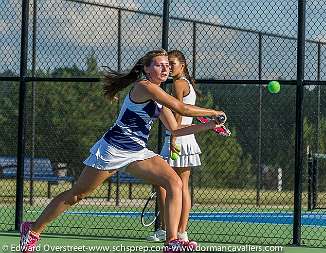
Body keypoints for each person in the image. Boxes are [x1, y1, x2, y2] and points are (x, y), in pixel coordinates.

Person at [19, 49, 226, 253]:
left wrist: (209, 124)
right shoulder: (145, 87)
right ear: (146, 69)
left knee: (174, 182)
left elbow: (176, 129)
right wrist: (213, 112)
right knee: (77, 195)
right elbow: (183, 109)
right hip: (113, 149)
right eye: (159, 65)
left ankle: (172, 241)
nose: (165, 69)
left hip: (137, 151)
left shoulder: (159, 96)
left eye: (167, 65)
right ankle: (33, 230)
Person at [147, 50, 202, 243]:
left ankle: (167, 229)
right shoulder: (186, 84)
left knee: (165, 183)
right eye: (167, 64)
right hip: (185, 137)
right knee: (179, 185)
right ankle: (180, 231)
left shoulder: (179, 83)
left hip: (178, 137)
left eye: (172, 64)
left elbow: (178, 112)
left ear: (183, 66)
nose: (169, 68)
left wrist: (172, 139)